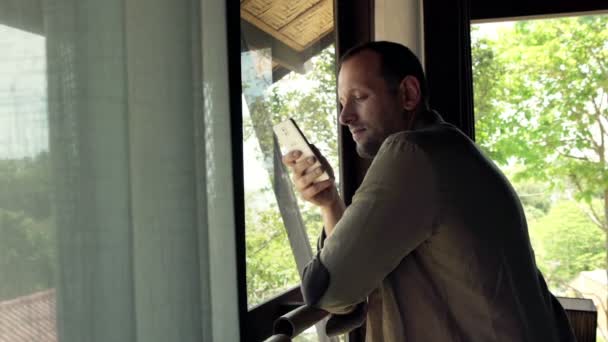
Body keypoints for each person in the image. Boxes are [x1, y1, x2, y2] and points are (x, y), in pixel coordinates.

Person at [282, 41, 575, 341]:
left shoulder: (412, 153)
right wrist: (330, 202)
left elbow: (327, 290)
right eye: (343, 102)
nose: (345, 116)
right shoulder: (451, 148)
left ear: (408, 94)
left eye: (359, 97)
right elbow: (352, 277)